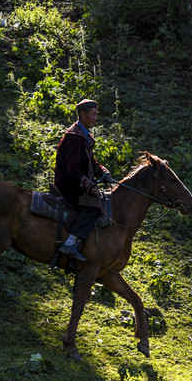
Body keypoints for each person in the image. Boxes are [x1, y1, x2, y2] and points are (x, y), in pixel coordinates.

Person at [53, 99, 111, 262]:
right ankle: (70, 243)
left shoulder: (83, 135)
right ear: (83, 115)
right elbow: (73, 171)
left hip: (77, 184)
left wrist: (102, 172)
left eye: (96, 114)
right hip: (69, 187)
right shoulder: (74, 137)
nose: (95, 118)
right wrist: (90, 186)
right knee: (94, 207)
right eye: (93, 115)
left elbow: (91, 162)